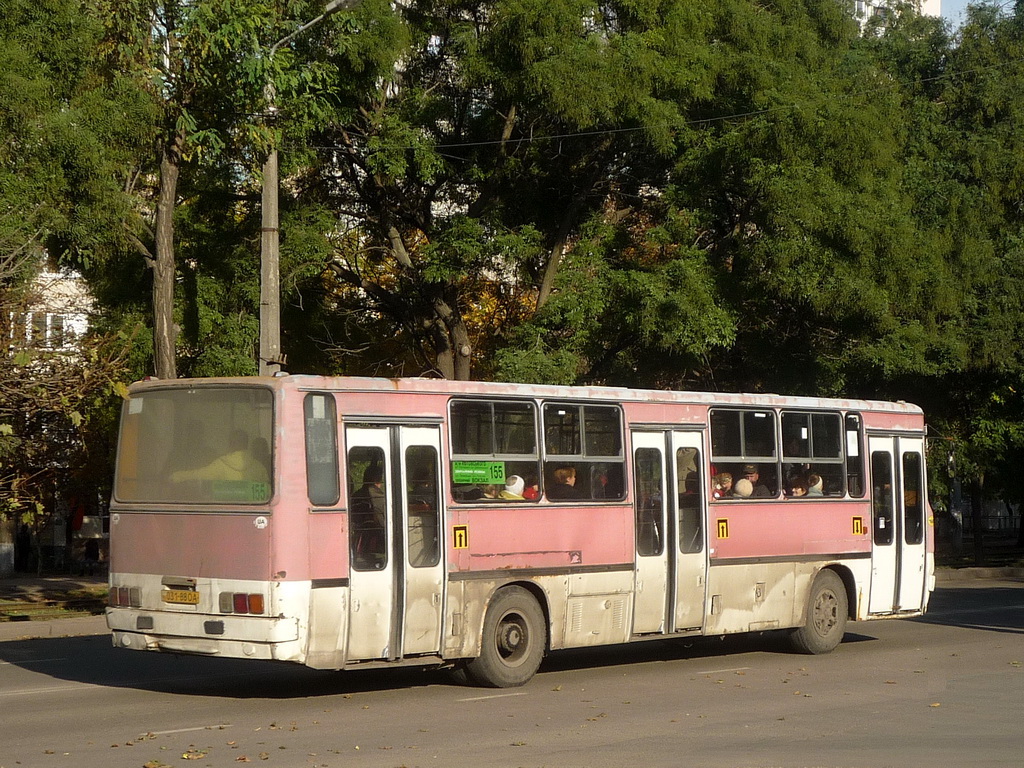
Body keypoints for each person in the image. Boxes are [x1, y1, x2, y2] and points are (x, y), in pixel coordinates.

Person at [171, 430, 269, 484]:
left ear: (230, 444)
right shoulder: (259, 467)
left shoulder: (221, 464)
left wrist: (177, 476)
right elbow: (267, 490)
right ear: (247, 444)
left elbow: (199, 474)